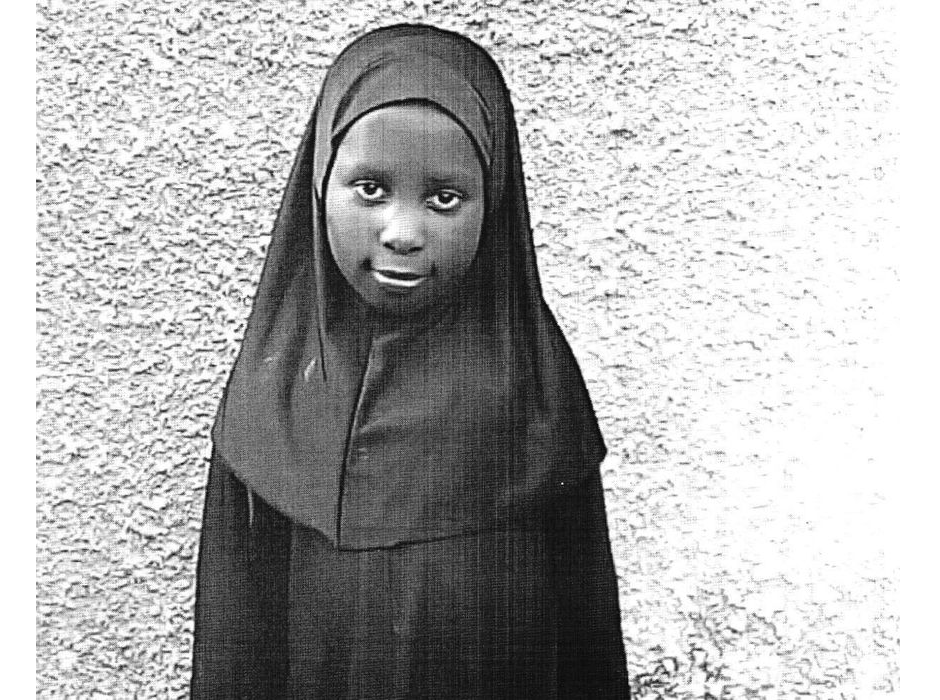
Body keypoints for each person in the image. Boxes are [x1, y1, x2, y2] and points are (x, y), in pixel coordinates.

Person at [190, 23, 629, 699]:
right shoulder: (274, 388)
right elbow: (232, 642)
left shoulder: (534, 389)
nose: (401, 231)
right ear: (320, 184)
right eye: (370, 188)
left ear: (494, 201)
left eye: (444, 198)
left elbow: (587, 641)